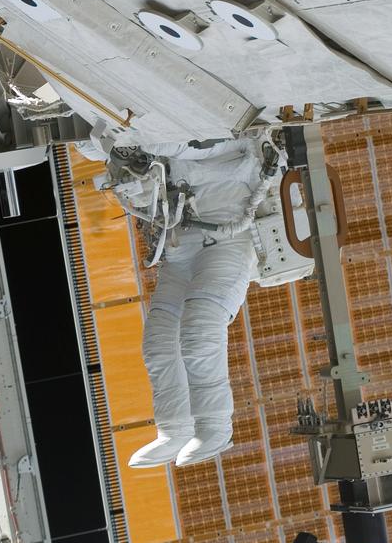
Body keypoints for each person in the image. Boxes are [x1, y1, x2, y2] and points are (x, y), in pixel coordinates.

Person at [115, 134, 283, 468]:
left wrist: (142, 142)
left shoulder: (218, 130)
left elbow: (186, 146)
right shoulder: (164, 136)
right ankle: (174, 428)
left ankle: (215, 426)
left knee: (199, 328)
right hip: (182, 244)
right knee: (159, 342)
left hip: (229, 239)